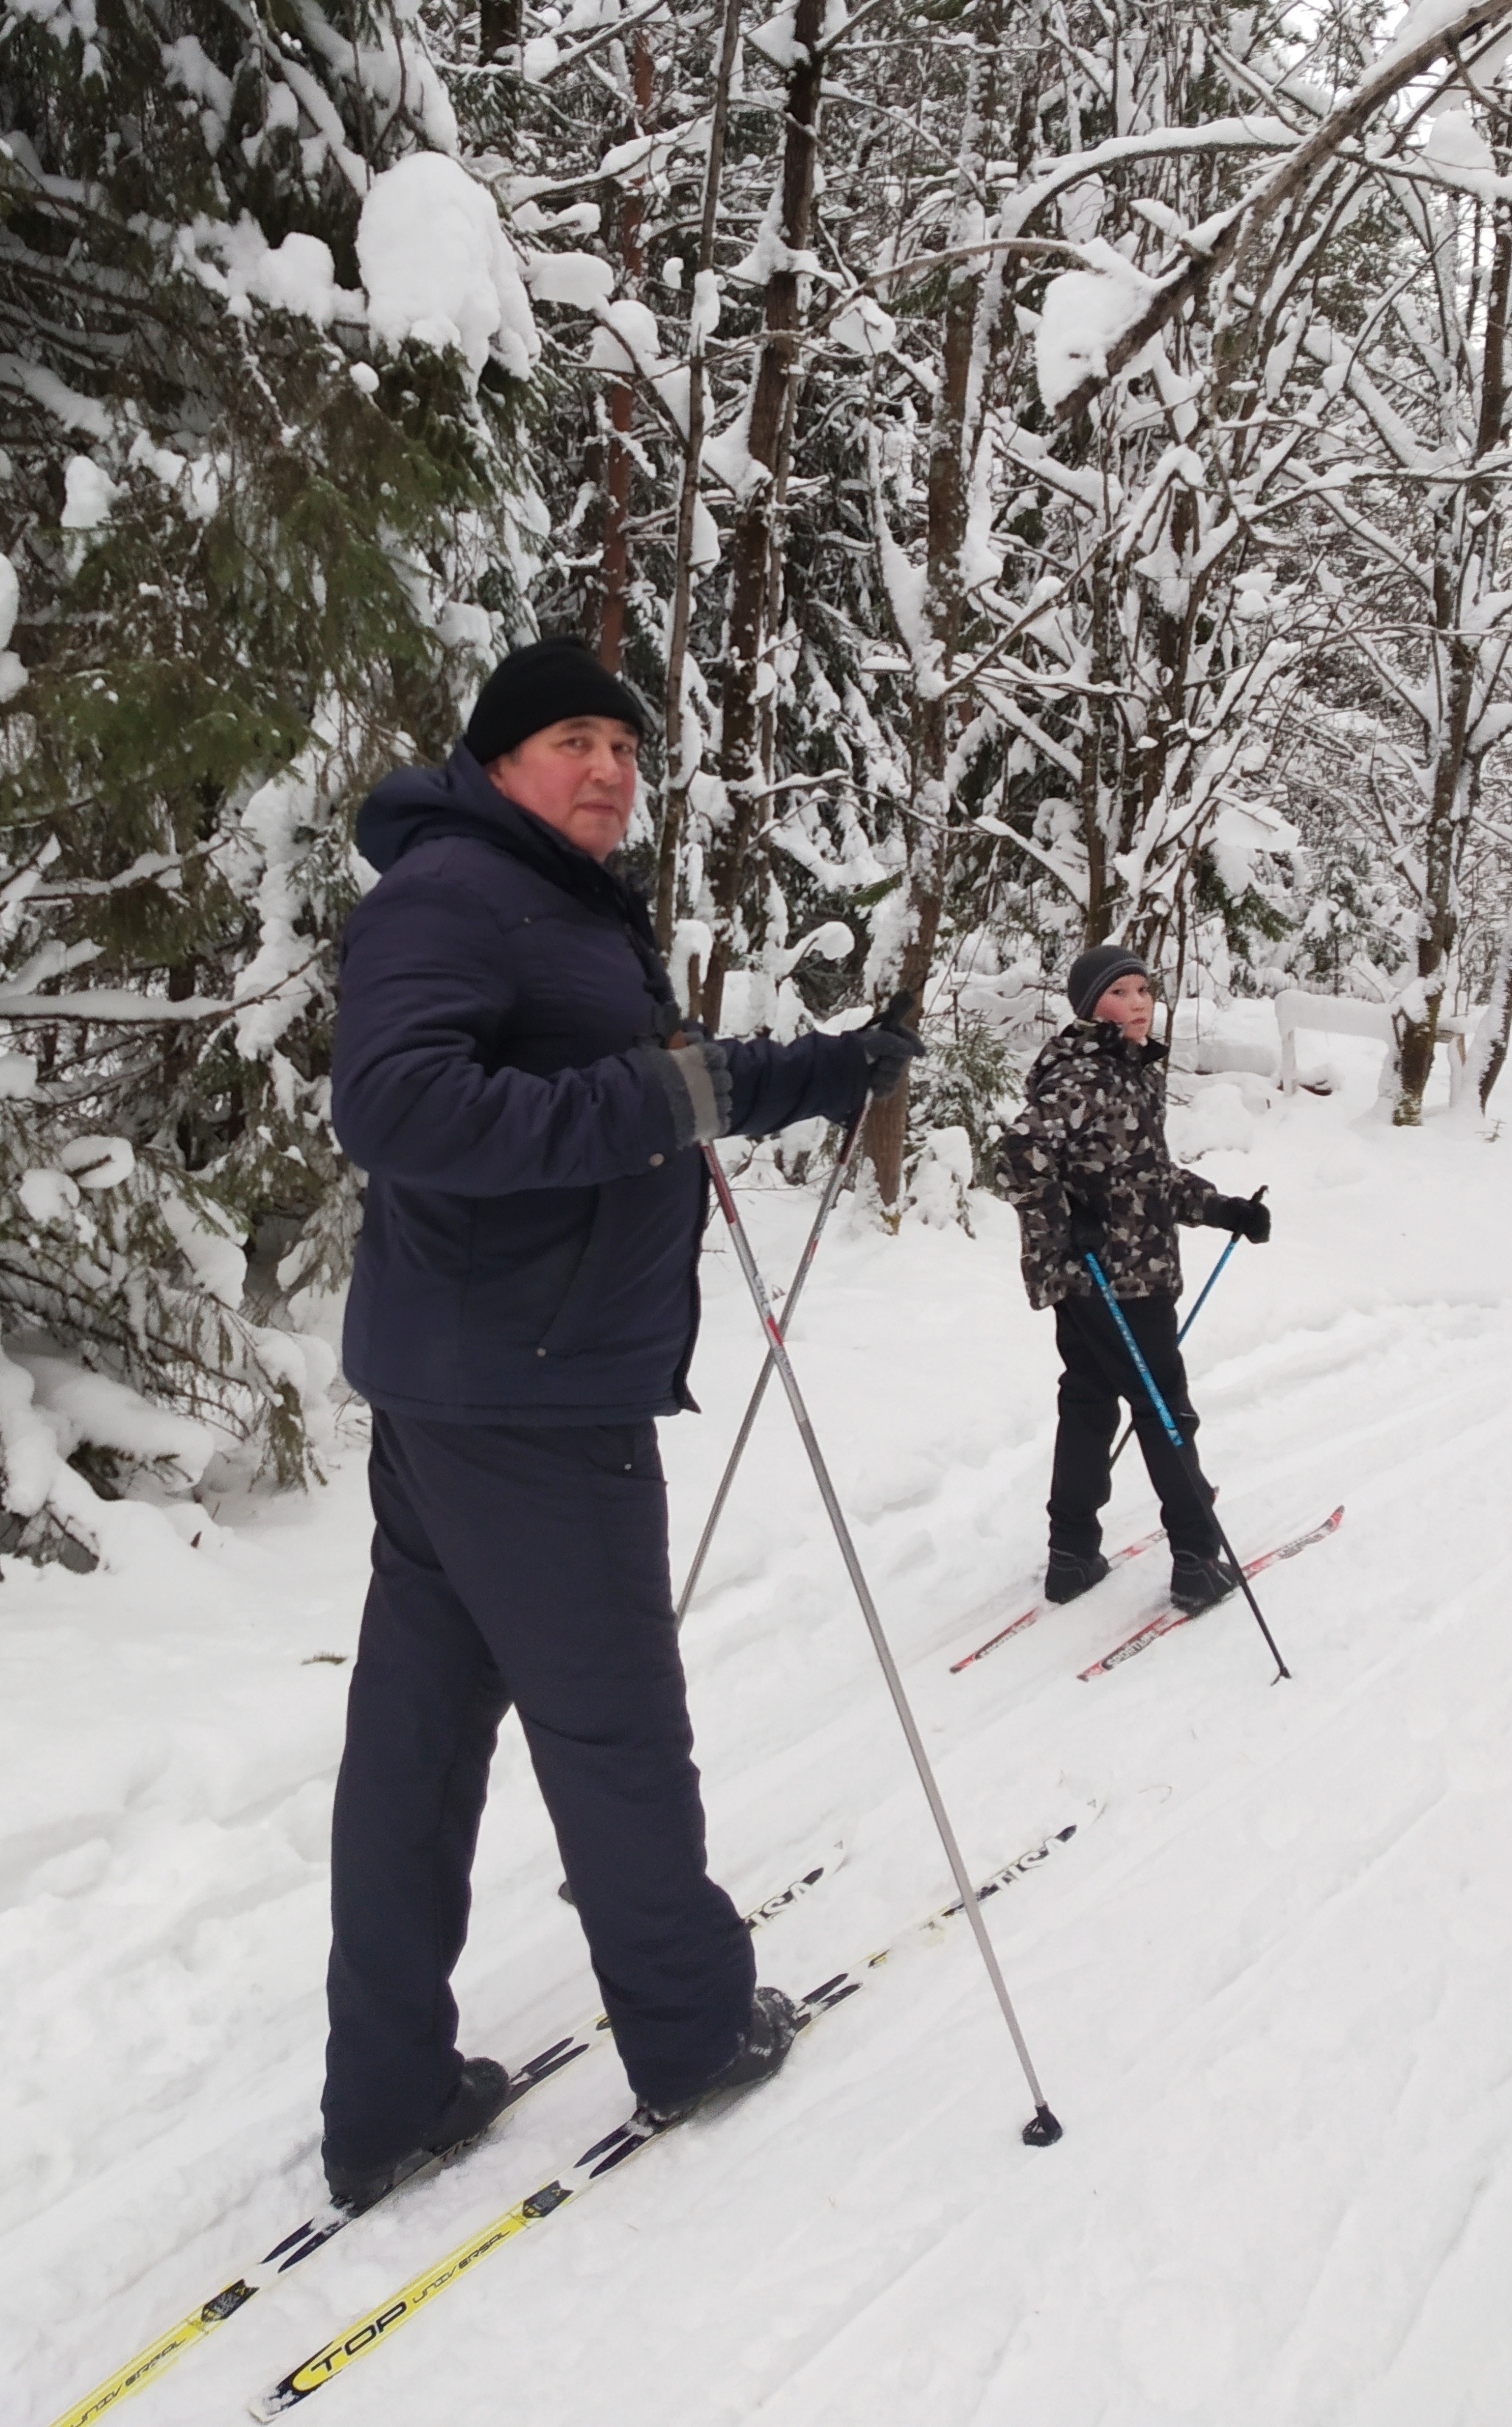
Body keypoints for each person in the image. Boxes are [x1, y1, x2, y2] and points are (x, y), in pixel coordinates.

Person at [320, 634, 923, 2211]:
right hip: (531, 1393)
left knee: (418, 1743)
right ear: (501, 755)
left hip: (476, 1381)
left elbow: (659, 1077)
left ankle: (386, 2096)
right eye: (576, 738)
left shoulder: (543, 900)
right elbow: (395, 1107)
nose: (609, 770)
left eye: (628, 748)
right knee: (613, 1724)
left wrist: (827, 1070)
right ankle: (693, 2021)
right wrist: (659, 1106)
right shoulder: (457, 893)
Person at [999, 942, 1270, 1615]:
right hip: (1117, 1279)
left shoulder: (1130, 1073)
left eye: (1145, 990)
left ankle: (1071, 1557)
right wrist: (1072, 1228)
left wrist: (1221, 1209)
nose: (1140, 1003)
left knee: (1089, 1403)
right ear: (1093, 1006)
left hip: (1110, 1272)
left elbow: (1144, 1179)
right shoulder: (1086, 1075)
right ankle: (1196, 1563)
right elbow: (1017, 1162)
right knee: (1163, 1411)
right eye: (1122, 992)